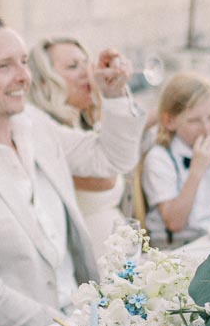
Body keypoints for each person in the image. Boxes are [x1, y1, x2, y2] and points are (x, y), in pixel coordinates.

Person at [0, 15, 145, 326]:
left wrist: (114, 96)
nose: (24, 76)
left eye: (23, 61)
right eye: (5, 66)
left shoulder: (33, 123)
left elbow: (110, 160)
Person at [28, 37, 132, 253]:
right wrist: (106, 96)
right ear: (45, 82)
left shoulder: (81, 125)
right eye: (73, 66)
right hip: (89, 260)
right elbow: (105, 178)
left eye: (87, 63)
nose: (88, 73)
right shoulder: (49, 136)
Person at [140, 72, 210, 245]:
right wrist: (196, 171)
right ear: (169, 121)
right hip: (174, 249)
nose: (206, 129)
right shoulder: (160, 158)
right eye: (194, 121)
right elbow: (175, 223)